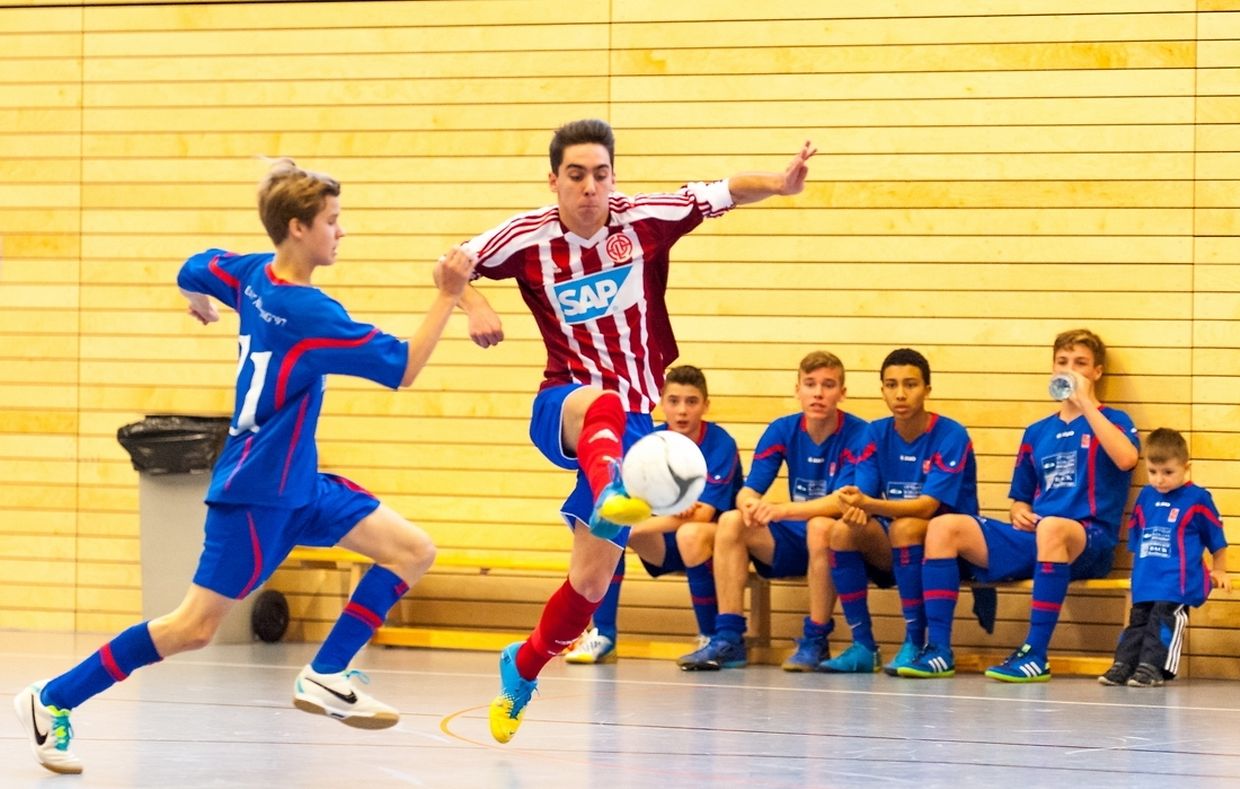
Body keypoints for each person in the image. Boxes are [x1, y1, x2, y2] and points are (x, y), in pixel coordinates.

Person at [13, 160, 476, 775]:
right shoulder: (310, 313)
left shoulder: (252, 274)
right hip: (256, 494)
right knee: (191, 628)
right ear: (297, 228)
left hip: (298, 485)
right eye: (332, 221)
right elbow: (404, 367)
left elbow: (192, 266)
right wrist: (449, 294)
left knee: (411, 550)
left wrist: (199, 301)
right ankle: (51, 699)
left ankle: (327, 673)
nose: (342, 232)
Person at [454, 119, 815, 743]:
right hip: (565, 405)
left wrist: (781, 185)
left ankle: (524, 666)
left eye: (601, 174)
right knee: (601, 401)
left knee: (589, 587)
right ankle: (608, 491)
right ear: (553, 180)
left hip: (631, 431)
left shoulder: (644, 220)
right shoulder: (526, 237)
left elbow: (726, 190)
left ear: (612, 177)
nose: (589, 187)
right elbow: (451, 265)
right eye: (576, 175)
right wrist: (475, 302)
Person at [898, 328, 1140, 682]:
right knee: (943, 526)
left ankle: (1035, 654)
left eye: (1080, 363)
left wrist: (1087, 403)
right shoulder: (1037, 432)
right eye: (1062, 362)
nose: (1070, 370)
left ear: (1097, 372)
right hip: (1038, 535)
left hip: (1088, 539)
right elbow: (1020, 499)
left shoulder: (1115, 421)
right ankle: (937, 650)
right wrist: (1020, 512)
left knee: (1053, 527)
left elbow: (1127, 459)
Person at [677, 351, 872, 672]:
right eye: (810, 384)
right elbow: (749, 489)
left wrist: (780, 511)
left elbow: (844, 502)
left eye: (828, 385)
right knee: (732, 520)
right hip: (794, 539)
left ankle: (816, 638)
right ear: (798, 390)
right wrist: (749, 504)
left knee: (821, 526)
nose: (818, 393)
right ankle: (729, 637)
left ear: (842, 393)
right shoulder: (782, 429)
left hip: (841, 542)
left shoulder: (859, 433)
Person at [563, 365, 744, 664]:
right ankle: (603, 634)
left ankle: (710, 635)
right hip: (663, 540)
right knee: (613, 531)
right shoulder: (650, 441)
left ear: (705, 405)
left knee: (687, 533)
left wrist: (640, 526)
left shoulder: (720, 443)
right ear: (661, 402)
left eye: (691, 401)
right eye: (674, 401)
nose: (682, 410)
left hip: (710, 543)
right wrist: (634, 524)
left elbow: (703, 515)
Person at [816, 348, 978, 674]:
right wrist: (857, 507)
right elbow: (863, 494)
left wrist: (869, 505)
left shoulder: (952, 434)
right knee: (841, 531)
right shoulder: (874, 433)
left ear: (927, 390)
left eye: (910, 384)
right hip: (900, 544)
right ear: (882, 390)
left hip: (952, 548)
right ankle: (864, 646)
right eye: (891, 385)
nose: (900, 394)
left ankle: (915, 641)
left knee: (905, 527)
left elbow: (928, 507)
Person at [1099, 427, 1229, 687]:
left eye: (1168, 472)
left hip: (1177, 581)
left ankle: (1153, 667)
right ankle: (1124, 664)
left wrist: (1220, 569)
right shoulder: (1146, 496)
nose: (1159, 480)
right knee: (1137, 622)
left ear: (1186, 467)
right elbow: (1138, 538)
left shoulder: (1198, 498)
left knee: (1164, 619)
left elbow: (1216, 537)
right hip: (1147, 579)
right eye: (1153, 472)